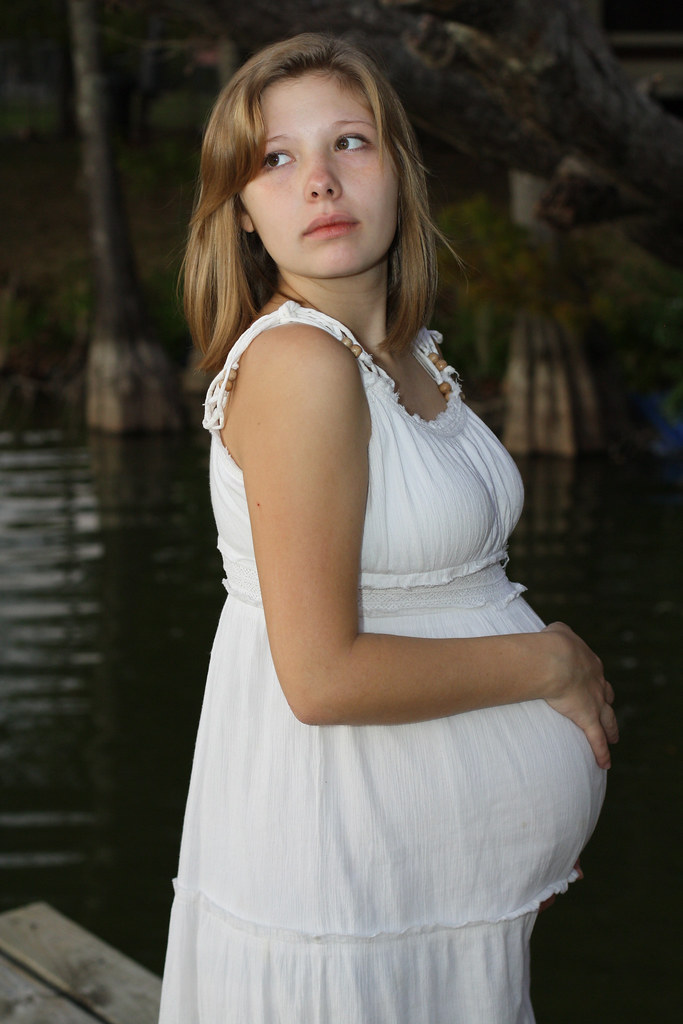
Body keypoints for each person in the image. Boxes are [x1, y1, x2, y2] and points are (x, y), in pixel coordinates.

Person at [158, 32, 618, 1023]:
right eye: (275, 159)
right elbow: (321, 678)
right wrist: (549, 665)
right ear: (240, 211)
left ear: (399, 172)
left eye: (349, 143)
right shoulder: (299, 366)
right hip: (345, 888)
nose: (318, 181)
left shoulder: (405, 356)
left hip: (423, 895)